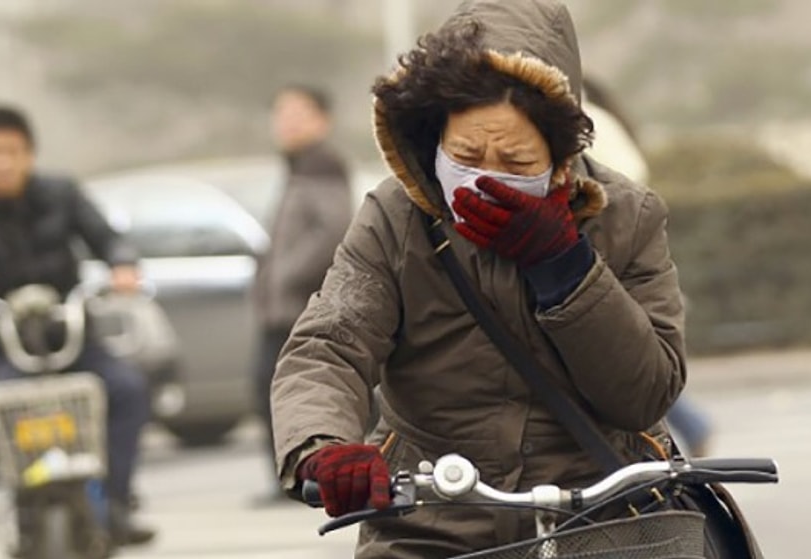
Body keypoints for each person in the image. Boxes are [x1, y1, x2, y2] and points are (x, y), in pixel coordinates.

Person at [270, 1, 687, 556]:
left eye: (516, 162)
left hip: (599, 519)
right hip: (433, 519)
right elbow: (327, 346)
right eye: (465, 154)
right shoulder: (396, 218)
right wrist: (321, 447)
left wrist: (566, 265)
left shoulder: (627, 215)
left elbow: (647, 391)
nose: (487, 174)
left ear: (560, 155)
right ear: (432, 136)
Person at [0, 105, 155, 553]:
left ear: (30, 154)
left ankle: (116, 499)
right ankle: (26, 508)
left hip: (72, 341)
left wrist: (122, 264)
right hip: (8, 350)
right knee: (9, 409)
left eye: (13, 151)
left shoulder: (62, 195)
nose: (4, 162)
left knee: (126, 389)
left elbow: (108, 239)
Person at [582, 76, 714, 457]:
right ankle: (690, 427)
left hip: (607, 252)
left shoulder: (586, 121)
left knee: (629, 356)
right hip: (617, 248)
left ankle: (687, 428)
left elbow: (624, 188)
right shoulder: (601, 118)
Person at [250, 84, 354, 504]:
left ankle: (305, 477)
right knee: (269, 389)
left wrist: (287, 276)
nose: (287, 121)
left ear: (321, 120)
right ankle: (289, 477)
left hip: (302, 306)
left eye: (299, 112)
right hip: (280, 307)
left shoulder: (323, 165)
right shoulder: (297, 166)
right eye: (282, 112)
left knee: (287, 390)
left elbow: (331, 230)